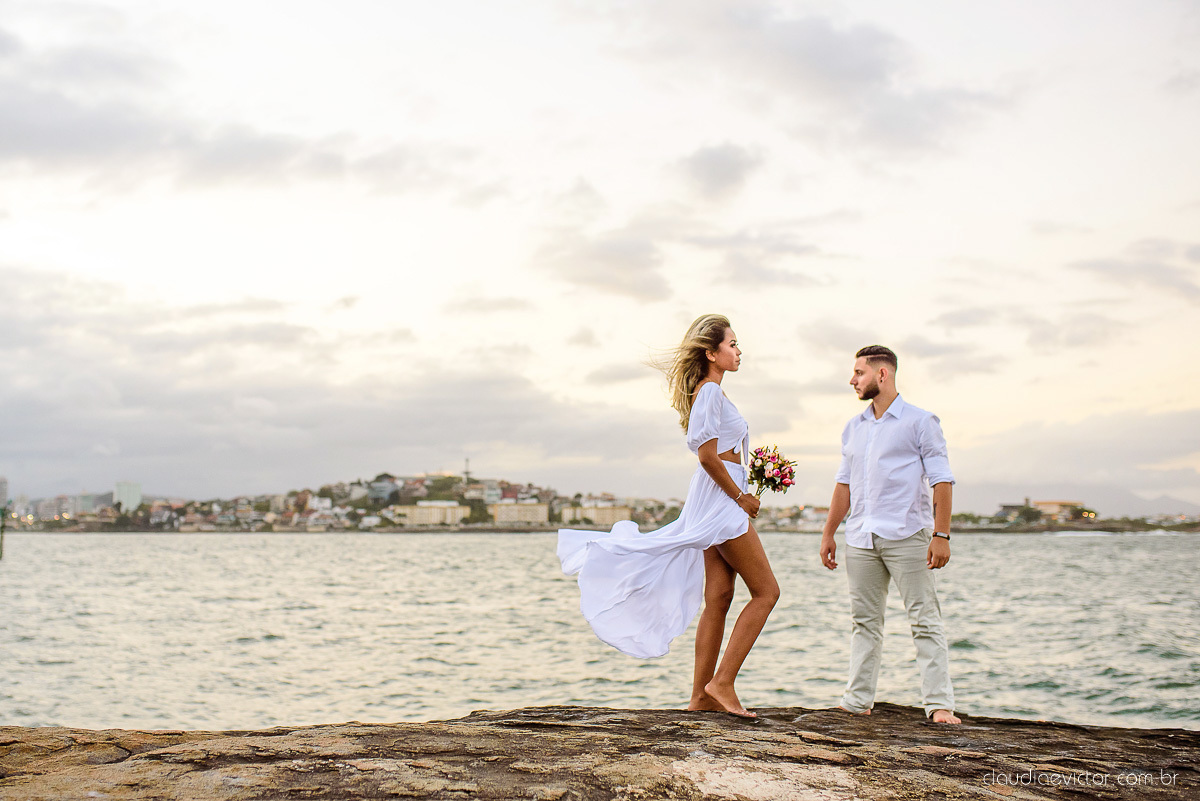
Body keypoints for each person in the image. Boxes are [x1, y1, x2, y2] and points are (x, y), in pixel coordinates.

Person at [558, 314, 780, 718]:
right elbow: (707, 456)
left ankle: (700, 697)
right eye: (732, 344)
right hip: (721, 500)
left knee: (720, 596)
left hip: (714, 496)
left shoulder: (711, 392)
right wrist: (741, 497)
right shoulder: (710, 392)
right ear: (711, 353)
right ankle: (723, 683)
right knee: (767, 592)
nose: (738, 350)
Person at [819, 345, 961, 724]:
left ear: (882, 375)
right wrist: (829, 532)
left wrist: (941, 534)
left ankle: (939, 705)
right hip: (860, 538)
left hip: (906, 535)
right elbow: (843, 485)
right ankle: (856, 701)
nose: (852, 380)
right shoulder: (854, 427)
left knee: (924, 619)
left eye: (859, 373)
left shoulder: (920, 421)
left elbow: (942, 479)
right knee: (864, 621)